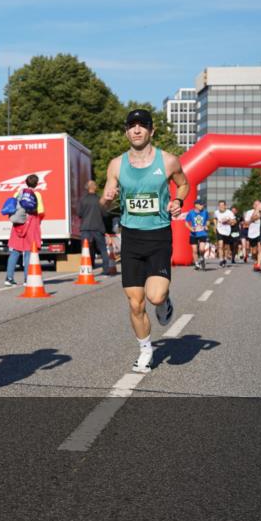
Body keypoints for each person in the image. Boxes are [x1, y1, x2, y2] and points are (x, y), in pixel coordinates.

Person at [101, 108, 189, 374]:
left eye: (142, 125)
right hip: (131, 237)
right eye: (132, 126)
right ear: (126, 131)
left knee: (155, 296)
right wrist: (106, 198)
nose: (137, 130)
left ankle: (164, 303)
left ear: (152, 130)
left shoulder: (168, 161)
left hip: (159, 236)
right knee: (135, 302)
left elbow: (183, 184)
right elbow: (104, 204)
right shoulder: (116, 165)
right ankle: (146, 350)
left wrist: (178, 200)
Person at [5, 174, 45, 285]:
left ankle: (9, 278)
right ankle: (27, 279)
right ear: (36, 184)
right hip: (31, 224)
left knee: (15, 251)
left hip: (18, 224)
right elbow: (41, 211)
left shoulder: (18, 193)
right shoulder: (37, 195)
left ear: (26, 182)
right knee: (29, 251)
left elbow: (13, 208)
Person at [79, 179, 112, 274]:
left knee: (86, 249)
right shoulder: (99, 200)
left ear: (87, 188)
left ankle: (87, 269)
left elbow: (79, 213)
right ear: (95, 188)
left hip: (85, 227)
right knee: (102, 249)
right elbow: (105, 214)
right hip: (98, 227)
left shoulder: (82, 200)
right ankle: (106, 269)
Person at [184, 199, 210, 270]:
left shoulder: (205, 212)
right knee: (194, 250)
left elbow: (207, 220)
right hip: (193, 234)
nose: (202, 206)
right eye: (201, 204)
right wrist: (190, 228)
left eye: (203, 204)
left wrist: (206, 225)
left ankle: (202, 257)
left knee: (202, 249)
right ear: (196, 205)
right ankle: (196, 264)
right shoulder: (191, 212)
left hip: (202, 233)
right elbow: (186, 222)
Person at [213, 200, 237, 267]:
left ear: (225, 206)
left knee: (226, 247)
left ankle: (225, 259)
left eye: (222, 205)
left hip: (227, 231)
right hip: (219, 230)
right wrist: (215, 226)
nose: (221, 207)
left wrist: (228, 221)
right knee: (220, 245)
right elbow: (215, 219)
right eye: (220, 205)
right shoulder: (216, 212)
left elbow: (234, 221)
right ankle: (221, 260)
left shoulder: (229, 212)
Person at [244, 199, 261, 271]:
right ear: (253, 205)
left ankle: (259, 264)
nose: (257, 206)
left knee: (260, 249)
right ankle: (256, 261)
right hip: (252, 234)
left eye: (258, 204)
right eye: (256, 204)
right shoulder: (249, 212)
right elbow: (246, 223)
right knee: (254, 252)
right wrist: (253, 218)